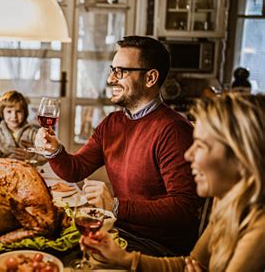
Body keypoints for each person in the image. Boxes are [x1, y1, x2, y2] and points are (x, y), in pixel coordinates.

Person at [36, 36, 202, 255]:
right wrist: (54, 150)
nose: (110, 79)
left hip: (156, 247)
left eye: (121, 71)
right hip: (118, 231)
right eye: (112, 69)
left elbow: (184, 208)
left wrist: (116, 206)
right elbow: (75, 169)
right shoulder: (112, 123)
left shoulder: (174, 130)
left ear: (150, 78)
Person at [81, 93, 265, 272]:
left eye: (200, 145)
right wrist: (124, 258)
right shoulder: (226, 201)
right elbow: (191, 264)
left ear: (241, 159)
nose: (188, 154)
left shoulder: (260, 229)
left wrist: (116, 206)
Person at [0, 90, 43, 161]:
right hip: (3, 169)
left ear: (25, 113)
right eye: (9, 111)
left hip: (27, 169)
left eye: (18, 111)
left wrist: (32, 156)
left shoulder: (33, 133)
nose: (14, 116)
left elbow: (44, 156)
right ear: (2, 113)